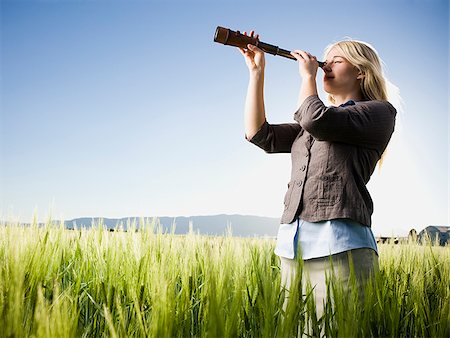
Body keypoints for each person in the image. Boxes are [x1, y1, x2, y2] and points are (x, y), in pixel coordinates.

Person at [239, 32, 397, 319]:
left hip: (341, 249)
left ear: (360, 72)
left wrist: (307, 78)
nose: (325, 64)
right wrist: (256, 72)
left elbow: (314, 119)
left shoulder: (379, 112)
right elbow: (260, 135)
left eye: (336, 60)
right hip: (292, 247)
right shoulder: (312, 124)